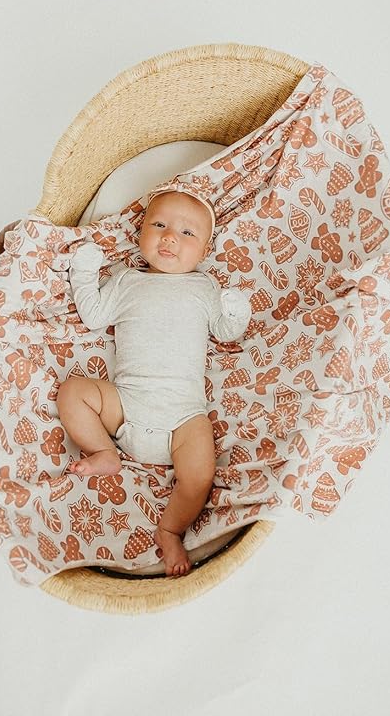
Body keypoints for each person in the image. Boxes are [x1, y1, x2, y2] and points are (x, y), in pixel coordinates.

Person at [56, 188, 251, 576]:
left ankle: (170, 529)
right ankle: (103, 452)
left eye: (186, 233)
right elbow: (94, 315)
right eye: (159, 225)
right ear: (141, 232)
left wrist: (236, 310)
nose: (170, 237)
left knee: (200, 474)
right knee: (73, 391)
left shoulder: (204, 287)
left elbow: (226, 332)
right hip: (127, 403)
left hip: (183, 416)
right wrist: (84, 272)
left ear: (205, 250)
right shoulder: (127, 281)